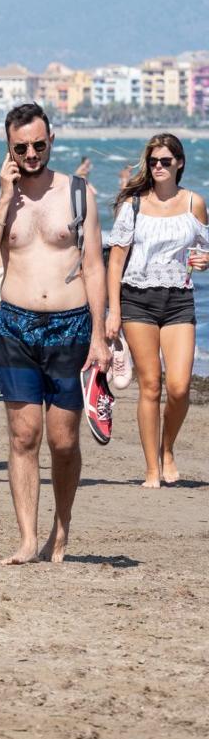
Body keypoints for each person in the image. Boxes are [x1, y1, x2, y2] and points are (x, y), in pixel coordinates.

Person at [0, 103, 109, 565]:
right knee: (22, 435)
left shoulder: (77, 193)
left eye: (39, 144)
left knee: (63, 439)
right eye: (21, 147)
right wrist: (5, 199)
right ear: (8, 146)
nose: (31, 153)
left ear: (51, 139)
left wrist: (100, 337)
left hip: (71, 327)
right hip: (16, 324)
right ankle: (28, 538)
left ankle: (61, 530)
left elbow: (94, 267)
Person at [105, 134, 209, 487]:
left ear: (179, 162)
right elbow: (115, 262)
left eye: (165, 161)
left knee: (179, 388)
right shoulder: (132, 205)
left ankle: (167, 449)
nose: (159, 167)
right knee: (150, 385)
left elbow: (203, 250)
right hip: (137, 300)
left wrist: (205, 261)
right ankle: (152, 468)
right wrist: (113, 312)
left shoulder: (195, 202)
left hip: (179, 299)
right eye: (153, 162)